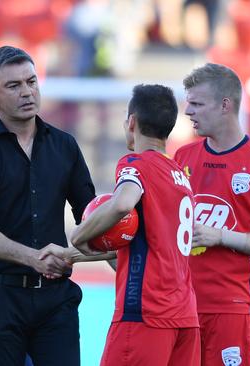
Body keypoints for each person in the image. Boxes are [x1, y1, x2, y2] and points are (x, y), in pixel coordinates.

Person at [0, 45, 96, 366]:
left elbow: (90, 217)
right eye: (14, 86)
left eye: (31, 82)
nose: (27, 92)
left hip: (55, 299)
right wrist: (34, 259)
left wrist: (109, 258)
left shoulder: (65, 145)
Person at [67, 84, 200, 365]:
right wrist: (76, 255)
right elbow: (150, 245)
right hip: (185, 316)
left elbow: (123, 203)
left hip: (146, 313)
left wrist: (79, 235)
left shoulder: (136, 163)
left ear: (131, 122)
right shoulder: (180, 175)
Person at [174, 63, 250, 366]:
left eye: (197, 103)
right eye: (188, 102)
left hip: (231, 308)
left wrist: (221, 236)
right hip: (179, 306)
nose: (188, 111)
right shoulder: (182, 157)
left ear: (225, 105)